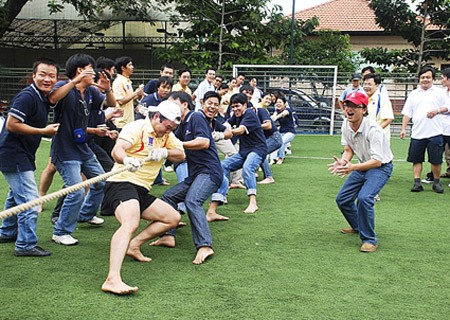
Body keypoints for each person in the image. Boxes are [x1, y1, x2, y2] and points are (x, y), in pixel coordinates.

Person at [101, 100, 185, 295]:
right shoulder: (137, 127)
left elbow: (181, 154)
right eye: (167, 126)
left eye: (172, 128)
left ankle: (134, 245)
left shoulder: (167, 135)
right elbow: (117, 150)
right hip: (121, 182)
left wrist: (165, 151)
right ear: (156, 117)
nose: (168, 131)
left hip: (141, 190)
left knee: (173, 218)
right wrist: (126, 159)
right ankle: (112, 279)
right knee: (130, 222)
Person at [150, 91, 232, 264]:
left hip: (210, 172)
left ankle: (205, 246)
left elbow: (204, 142)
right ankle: (168, 236)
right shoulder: (178, 126)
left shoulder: (195, 117)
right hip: (196, 174)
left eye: (173, 104)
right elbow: (178, 153)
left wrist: (176, 146)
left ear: (184, 104)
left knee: (192, 201)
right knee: (168, 197)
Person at [49, 53, 116, 246]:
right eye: (90, 70)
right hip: (65, 150)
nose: (94, 74)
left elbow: (110, 103)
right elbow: (52, 99)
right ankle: (60, 231)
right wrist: (76, 80)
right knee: (76, 190)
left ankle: (86, 214)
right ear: (80, 70)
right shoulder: (63, 88)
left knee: (100, 181)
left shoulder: (90, 92)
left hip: (83, 148)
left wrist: (108, 88)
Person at [0, 58, 60, 257]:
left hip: (21, 153)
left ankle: (7, 232)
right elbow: (11, 124)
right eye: (42, 74)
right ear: (33, 76)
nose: (47, 79)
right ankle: (25, 244)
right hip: (13, 154)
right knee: (29, 199)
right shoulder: (27, 97)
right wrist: (42, 130)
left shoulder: (42, 97)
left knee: (15, 195)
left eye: (52, 76)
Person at [328, 92, 393, 253]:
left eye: (354, 106)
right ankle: (358, 226)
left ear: (363, 110)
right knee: (342, 199)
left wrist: (352, 167)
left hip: (380, 167)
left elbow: (377, 161)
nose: (349, 109)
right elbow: (348, 149)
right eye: (346, 105)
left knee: (365, 198)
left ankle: (370, 240)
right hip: (363, 165)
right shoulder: (345, 125)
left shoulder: (374, 130)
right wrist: (344, 161)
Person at [207, 93, 267, 216]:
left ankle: (253, 202)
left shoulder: (249, 113)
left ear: (245, 105)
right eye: (233, 107)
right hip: (244, 151)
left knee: (247, 168)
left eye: (237, 106)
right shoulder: (236, 115)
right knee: (223, 166)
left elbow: (239, 130)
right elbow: (226, 125)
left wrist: (221, 135)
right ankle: (221, 196)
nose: (234, 109)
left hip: (257, 150)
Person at [400, 66, 448, 193]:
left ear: (432, 79)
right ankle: (417, 182)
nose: (425, 80)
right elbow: (407, 113)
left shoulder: (440, 92)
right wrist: (403, 129)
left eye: (428, 77)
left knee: (436, 160)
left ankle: (436, 183)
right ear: (419, 79)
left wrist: (437, 111)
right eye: (422, 77)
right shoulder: (414, 94)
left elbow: (447, 107)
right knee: (416, 159)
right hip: (417, 133)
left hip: (435, 132)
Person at [111, 56, 144, 129]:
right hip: (121, 123)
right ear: (123, 68)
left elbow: (130, 98)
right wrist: (135, 93)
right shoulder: (118, 82)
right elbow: (120, 101)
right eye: (130, 65)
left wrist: (139, 94)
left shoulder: (127, 81)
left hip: (129, 122)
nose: (132, 67)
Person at [362, 73, 394, 142]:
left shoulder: (382, 98)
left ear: (376, 85)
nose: (366, 86)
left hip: (379, 138)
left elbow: (389, 119)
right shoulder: (362, 98)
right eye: (365, 84)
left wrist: (376, 131)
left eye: (369, 84)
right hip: (365, 137)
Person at [269, 95, 296, 165]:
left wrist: (277, 117)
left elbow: (283, 114)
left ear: (284, 104)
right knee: (274, 142)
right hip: (281, 132)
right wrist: (270, 118)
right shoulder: (277, 110)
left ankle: (281, 158)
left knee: (282, 142)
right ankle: (273, 159)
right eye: (277, 102)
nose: (278, 104)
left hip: (290, 132)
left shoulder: (288, 110)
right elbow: (273, 116)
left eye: (280, 102)